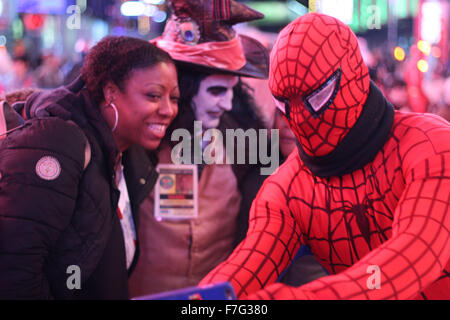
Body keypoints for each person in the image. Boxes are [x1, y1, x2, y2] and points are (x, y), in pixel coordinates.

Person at [200, 13, 450, 299]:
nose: (299, 118)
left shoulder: (430, 145)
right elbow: (246, 265)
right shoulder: (288, 188)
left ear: (355, 76)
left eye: (316, 97)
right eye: (284, 103)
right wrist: (199, 303)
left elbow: (415, 254)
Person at [0, 36, 179, 299]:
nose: (168, 110)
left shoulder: (126, 154)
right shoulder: (58, 142)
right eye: (153, 95)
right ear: (110, 92)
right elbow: (14, 268)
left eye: (173, 97)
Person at [128, 0, 270, 297]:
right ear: (182, 87)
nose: (227, 103)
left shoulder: (244, 143)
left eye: (232, 90)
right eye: (216, 91)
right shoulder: (134, 145)